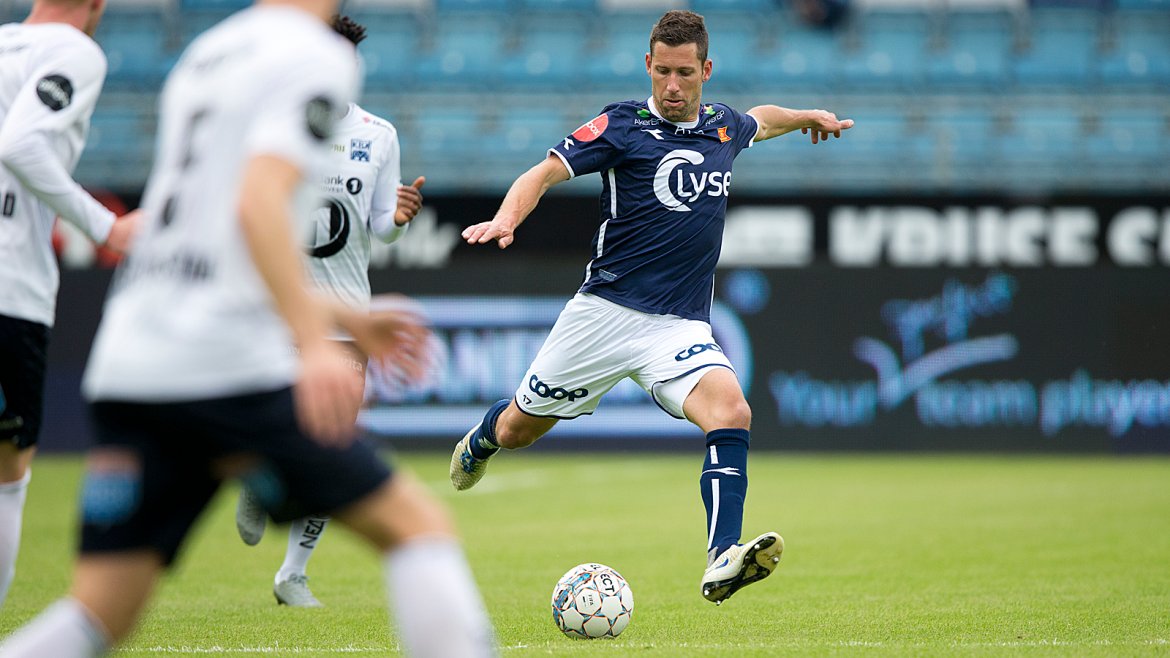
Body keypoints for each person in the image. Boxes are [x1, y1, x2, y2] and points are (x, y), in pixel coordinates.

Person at [0, 1, 495, 656]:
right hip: (220, 354)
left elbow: (213, 227)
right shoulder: (317, 55)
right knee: (417, 529)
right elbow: (258, 201)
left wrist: (341, 316)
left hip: (133, 351)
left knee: (101, 609)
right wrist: (317, 341)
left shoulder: (211, 51)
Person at [451, 9, 853, 605]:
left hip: (678, 324)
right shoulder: (622, 125)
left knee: (731, 411)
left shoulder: (722, 126)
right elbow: (543, 173)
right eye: (662, 71)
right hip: (604, 314)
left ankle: (722, 557)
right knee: (519, 429)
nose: (671, 85)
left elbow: (760, 121)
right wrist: (506, 219)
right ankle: (482, 439)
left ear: (706, 71)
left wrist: (804, 118)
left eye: (684, 73)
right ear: (648, 64)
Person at [232, 14, 429, 609]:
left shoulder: (378, 135)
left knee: (334, 440)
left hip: (345, 314)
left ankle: (293, 573)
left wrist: (395, 220)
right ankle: (258, 476)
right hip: (276, 306)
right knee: (272, 423)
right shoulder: (271, 128)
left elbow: (377, 230)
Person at [0, 0, 140, 609]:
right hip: (9, 287)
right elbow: (23, 144)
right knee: (8, 472)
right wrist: (105, 227)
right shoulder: (74, 51)